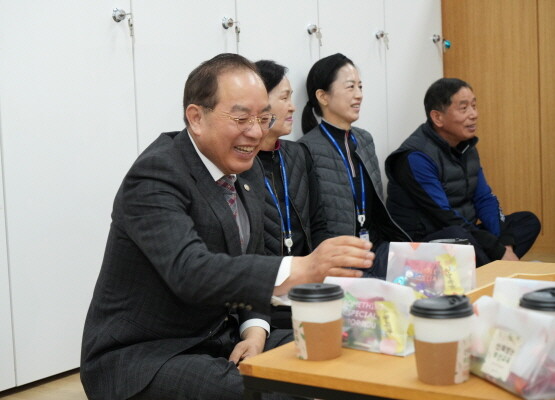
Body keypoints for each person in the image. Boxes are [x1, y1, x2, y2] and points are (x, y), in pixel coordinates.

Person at [80, 53, 374, 400]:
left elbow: (250, 264)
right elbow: (191, 271)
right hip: (148, 354)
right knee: (274, 392)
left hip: (224, 338)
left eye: (264, 117)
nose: (255, 131)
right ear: (196, 118)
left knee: (348, 351)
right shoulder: (156, 175)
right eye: (241, 118)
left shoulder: (245, 170)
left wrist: (255, 331)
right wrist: (304, 267)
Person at [385, 77, 541, 266]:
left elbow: (485, 198)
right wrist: (496, 249)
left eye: (474, 106)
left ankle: (493, 266)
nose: (473, 114)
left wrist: (505, 243)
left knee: (527, 221)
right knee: (459, 237)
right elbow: (443, 217)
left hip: (464, 233)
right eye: (464, 108)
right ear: (437, 118)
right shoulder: (415, 157)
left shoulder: (466, 147)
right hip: (422, 243)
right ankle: (496, 268)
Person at [299, 53, 411, 279]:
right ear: (323, 96)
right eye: (350, 87)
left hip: (375, 249)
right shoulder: (306, 149)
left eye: (360, 87)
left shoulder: (365, 139)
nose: (359, 95)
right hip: (341, 262)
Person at [255, 59, 330, 329]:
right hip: (264, 299)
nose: (292, 106)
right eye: (284, 97)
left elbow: (318, 222)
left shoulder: (297, 154)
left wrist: (322, 273)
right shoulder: (238, 163)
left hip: (306, 290)